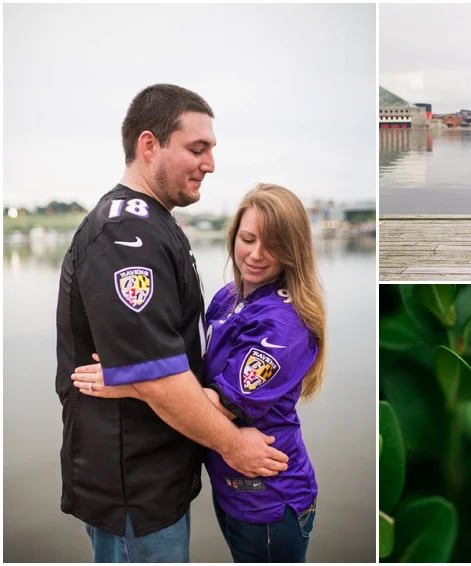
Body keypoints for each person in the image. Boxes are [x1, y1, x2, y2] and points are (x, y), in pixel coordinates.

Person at [55, 84, 288, 563]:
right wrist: (235, 445)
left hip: (157, 478)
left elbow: (155, 367)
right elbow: (158, 375)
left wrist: (132, 380)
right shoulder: (125, 235)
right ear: (149, 145)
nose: (210, 164)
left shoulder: (153, 223)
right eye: (197, 149)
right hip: (133, 490)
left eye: (212, 151)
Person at [71, 184, 326, 563]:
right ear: (233, 235)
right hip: (234, 486)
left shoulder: (282, 329)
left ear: (294, 250)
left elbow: (217, 404)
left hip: (271, 497)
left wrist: (128, 380)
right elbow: (198, 370)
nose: (256, 255)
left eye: (272, 245)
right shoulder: (229, 296)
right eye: (248, 239)